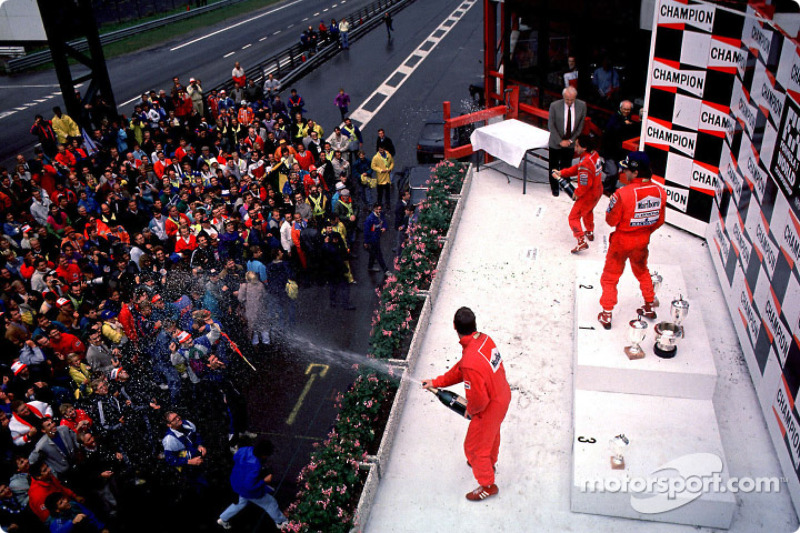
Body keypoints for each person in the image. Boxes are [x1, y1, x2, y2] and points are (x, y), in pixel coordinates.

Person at [422, 307, 511, 501]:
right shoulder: (484, 340)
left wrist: (469, 411)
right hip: (502, 395)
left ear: (454, 326)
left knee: (474, 449)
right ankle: (490, 462)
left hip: (489, 407)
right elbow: (462, 368)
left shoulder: (471, 360)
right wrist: (436, 382)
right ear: (474, 324)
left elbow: (479, 400)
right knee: (491, 434)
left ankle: (488, 484)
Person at [597, 151, 666, 329]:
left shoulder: (622, 193)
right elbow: (660, 220)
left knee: (610, 277)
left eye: (627, 170)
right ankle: (650, 306)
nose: (624, 172)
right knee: (642, 272)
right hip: (642, 241)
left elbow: (610, 221)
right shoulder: (660, 191)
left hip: (621, 241)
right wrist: (644, 231)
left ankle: (606, 314)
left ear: (636, 172)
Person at [216, 440, 289, 531]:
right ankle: (281, 522)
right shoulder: (256, 466)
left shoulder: (244, 449)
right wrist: (264, 481)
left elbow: (235, 458)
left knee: (241, 503)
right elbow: (250, 486)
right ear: (263, 455)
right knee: (270, 502)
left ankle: (223, 518)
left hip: (236, 483)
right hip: (247, 490)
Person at [551, 134, 603, 253]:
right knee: (588, 210)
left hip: (589, 194)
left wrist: (577, 194)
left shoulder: (585, 164)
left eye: (577, 146)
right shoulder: (593, 154)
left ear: (584, 148)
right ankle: (589, 232)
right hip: (598, 190)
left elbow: (585, 184)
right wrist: (562, 173)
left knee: (573, 217)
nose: (575, 148)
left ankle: (581, 240)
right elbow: (577, 168)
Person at [547, 86, 586, 196]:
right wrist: (560, 141)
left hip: (570, 141)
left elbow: (580, 126)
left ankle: (565, 184)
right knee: (554, 165)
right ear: (563, 97)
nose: (569, 102)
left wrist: (570, 140)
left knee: (567, 165)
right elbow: (551, 125)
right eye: (567, 99)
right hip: (556, 141)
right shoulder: (554, 106)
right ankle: (554, 186)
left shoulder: (582, 106)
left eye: (572, 100)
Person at [600, 100, 640, 195]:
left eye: (628, 109)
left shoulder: (630, 118)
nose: (626, 111)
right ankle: (606, 189)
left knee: (619, 172)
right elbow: (611, 130)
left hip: (621, 153)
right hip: (610, 151)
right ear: (620, 108)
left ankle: (611, 188)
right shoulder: (614, 118)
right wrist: (624, 124)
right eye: (625, 109)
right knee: (613, 172)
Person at [364, 204, 389, 275]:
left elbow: (384, 222)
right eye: (377, 209)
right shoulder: (370, 219)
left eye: (380, 209)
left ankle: (370, 266)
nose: (379, 211)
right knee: (379, 254)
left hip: (377, 237)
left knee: (373, 253)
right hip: (373, 239)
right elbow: (366, 231)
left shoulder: (380, 215)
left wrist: (384, 227)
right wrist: (366, 241)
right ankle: (385, 270)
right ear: (374, 209)